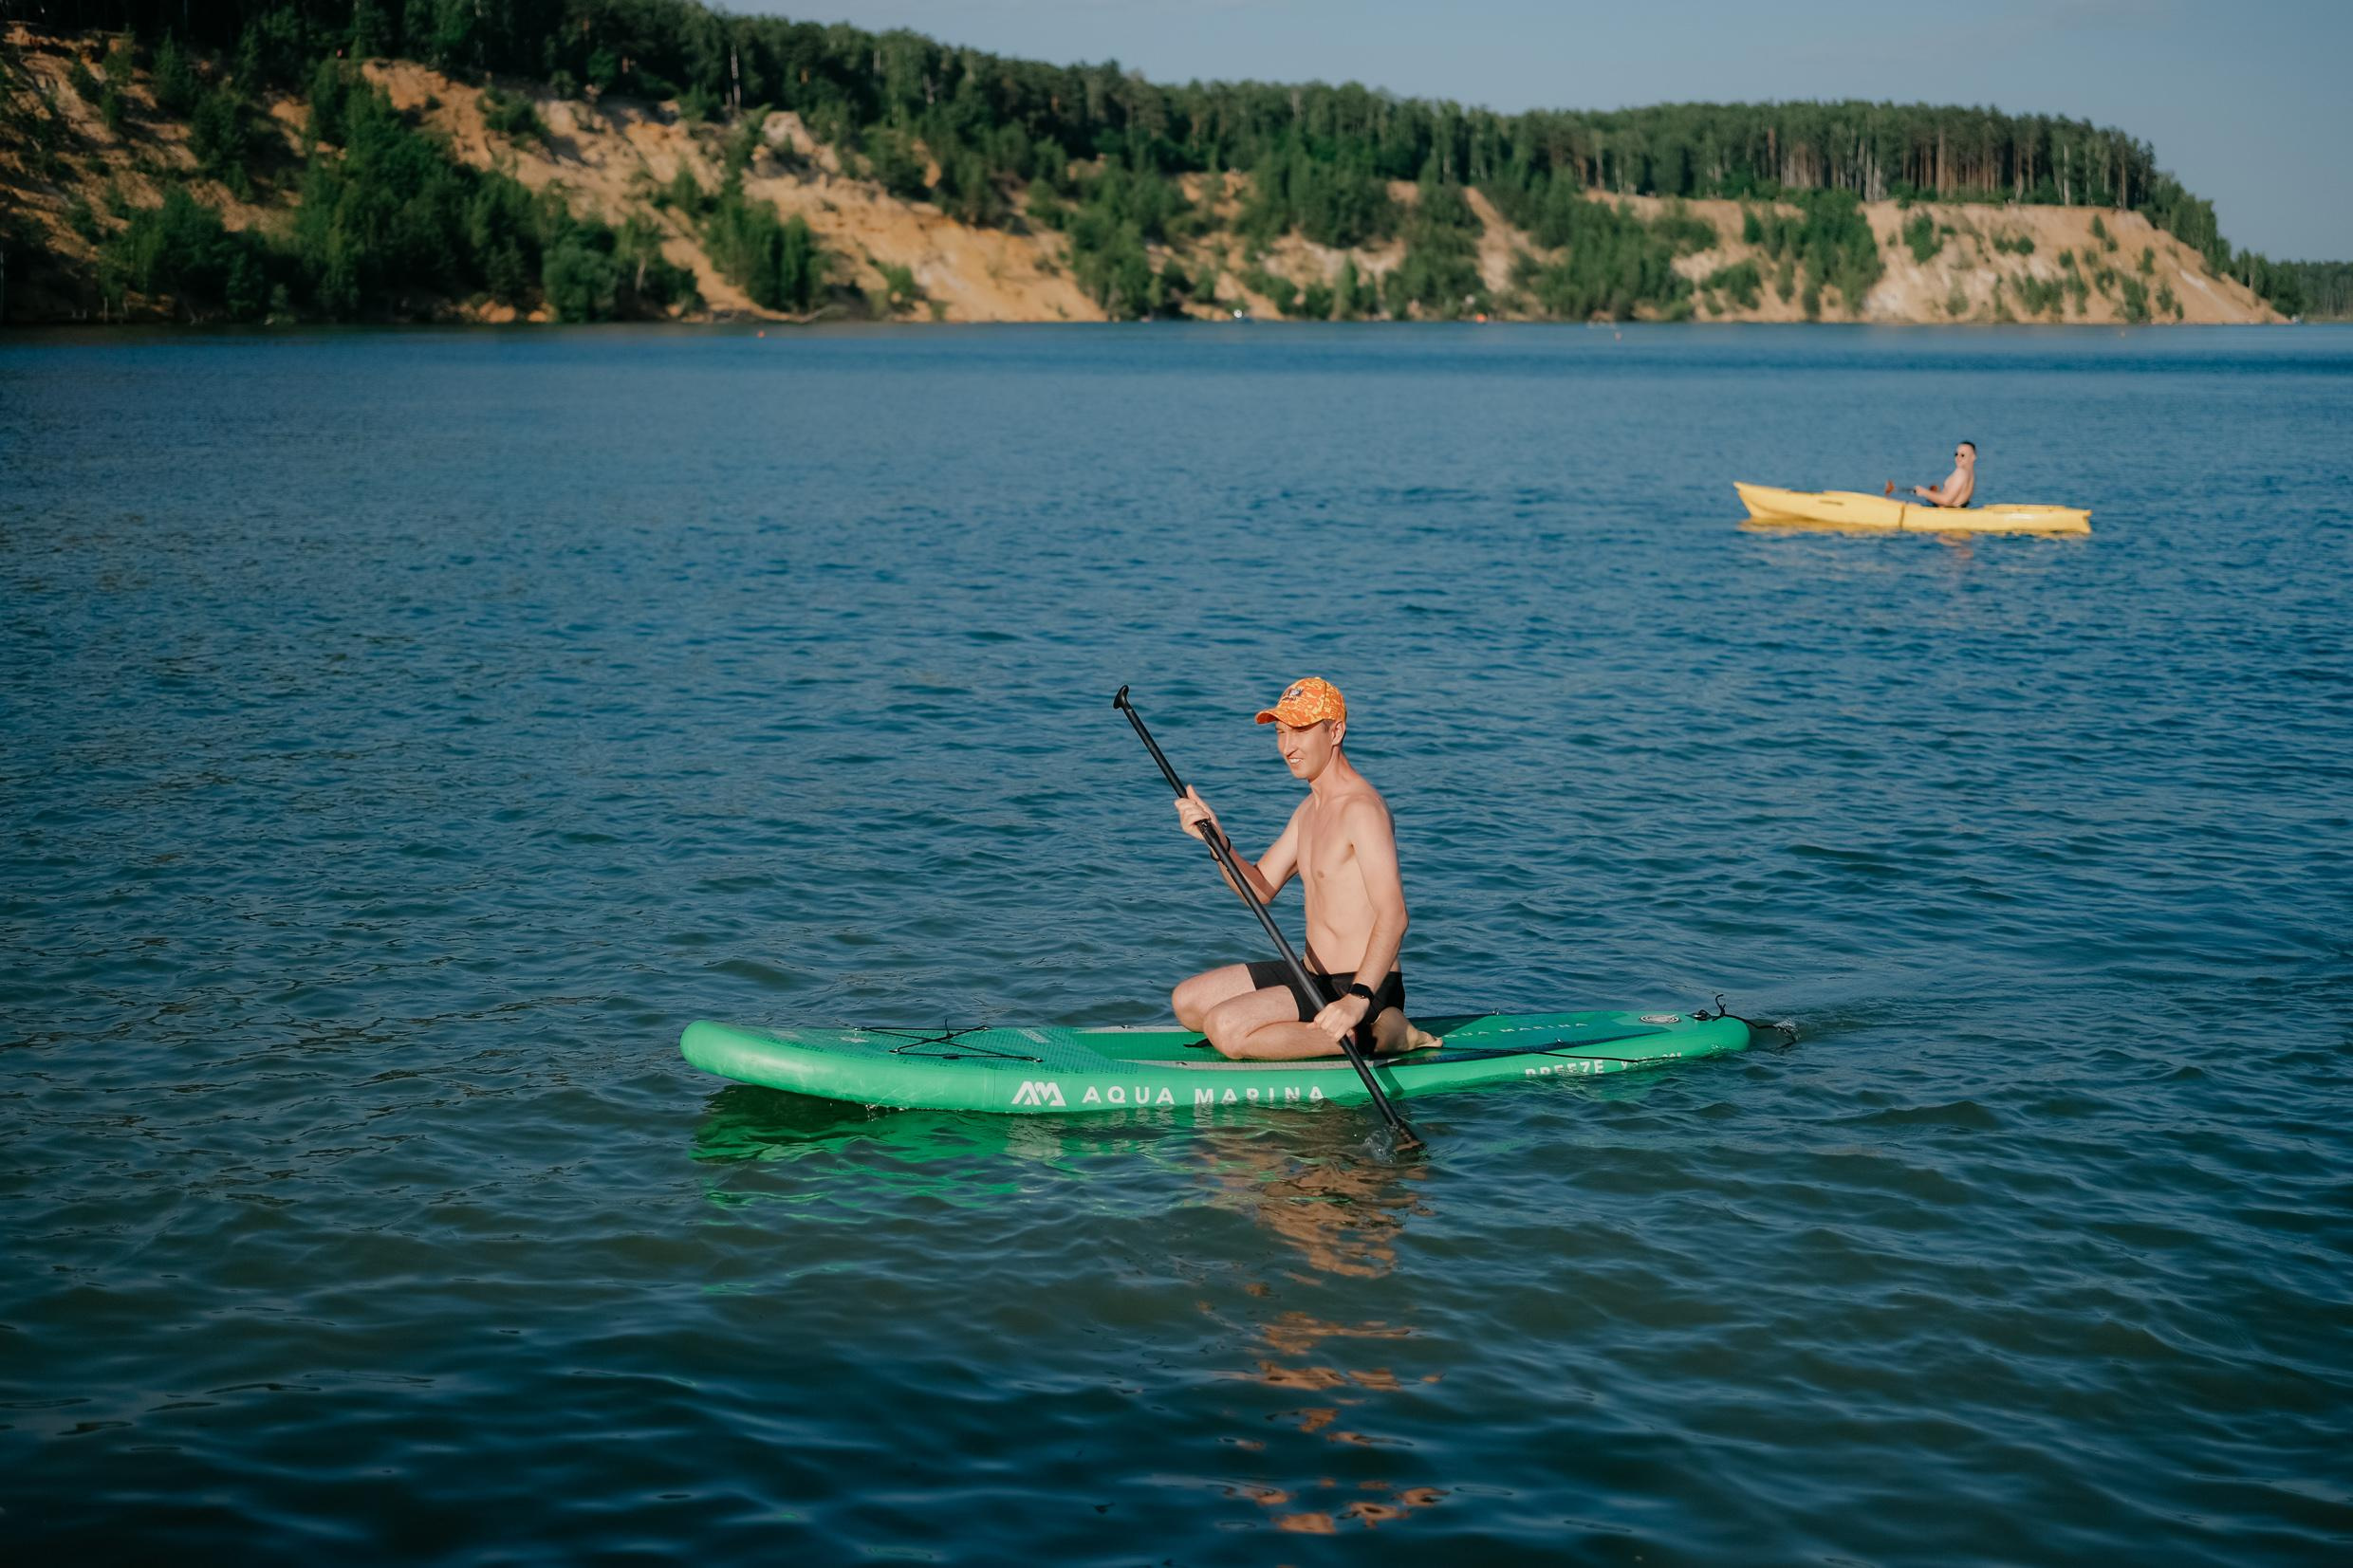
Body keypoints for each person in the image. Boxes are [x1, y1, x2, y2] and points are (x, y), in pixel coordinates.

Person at [1169, 677, 1423, 1061]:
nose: (1288, 746)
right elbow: (1258, 890)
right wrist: (1217, 843)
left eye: (1301, 731)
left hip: (1362, 987)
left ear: (1335, 732)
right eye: (1281, 732)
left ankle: (1383, 1034)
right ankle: (1325, 1029)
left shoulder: (1362, 810)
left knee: (1225, 1027)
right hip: (1312, 975)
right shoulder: (1309, 811)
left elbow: (1395, 914)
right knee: (1188, 1002)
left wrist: (1357, 999)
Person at [1909, 440, 1977, 507]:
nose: (1958, 458)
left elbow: (1946, 500)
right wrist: (1934, 493)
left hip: (1946, 511)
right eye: (1956, 454)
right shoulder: (1970, 474)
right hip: (1957, 510)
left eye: (1962, 455)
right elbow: (1957, 499)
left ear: (1973, 457)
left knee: (1912, 504)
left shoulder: (1961, 472)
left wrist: (1924, 492)